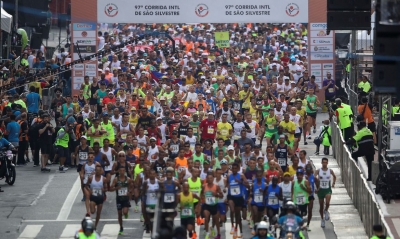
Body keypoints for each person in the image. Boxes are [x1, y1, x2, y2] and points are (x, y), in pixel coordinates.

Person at [315, 157, 336, 228]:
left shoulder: (330, 171)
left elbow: (334, 176)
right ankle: (322, 219)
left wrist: (333, 183)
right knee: (321, 206)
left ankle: (326, 210)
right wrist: (316, 187)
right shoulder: (318, 171)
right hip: (320, 190)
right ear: (321, 163)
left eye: (325, 162)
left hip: (327, 189)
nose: (324, 164)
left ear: (327, 163)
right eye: (323, 162)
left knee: (327, 203)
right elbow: (313, 178)